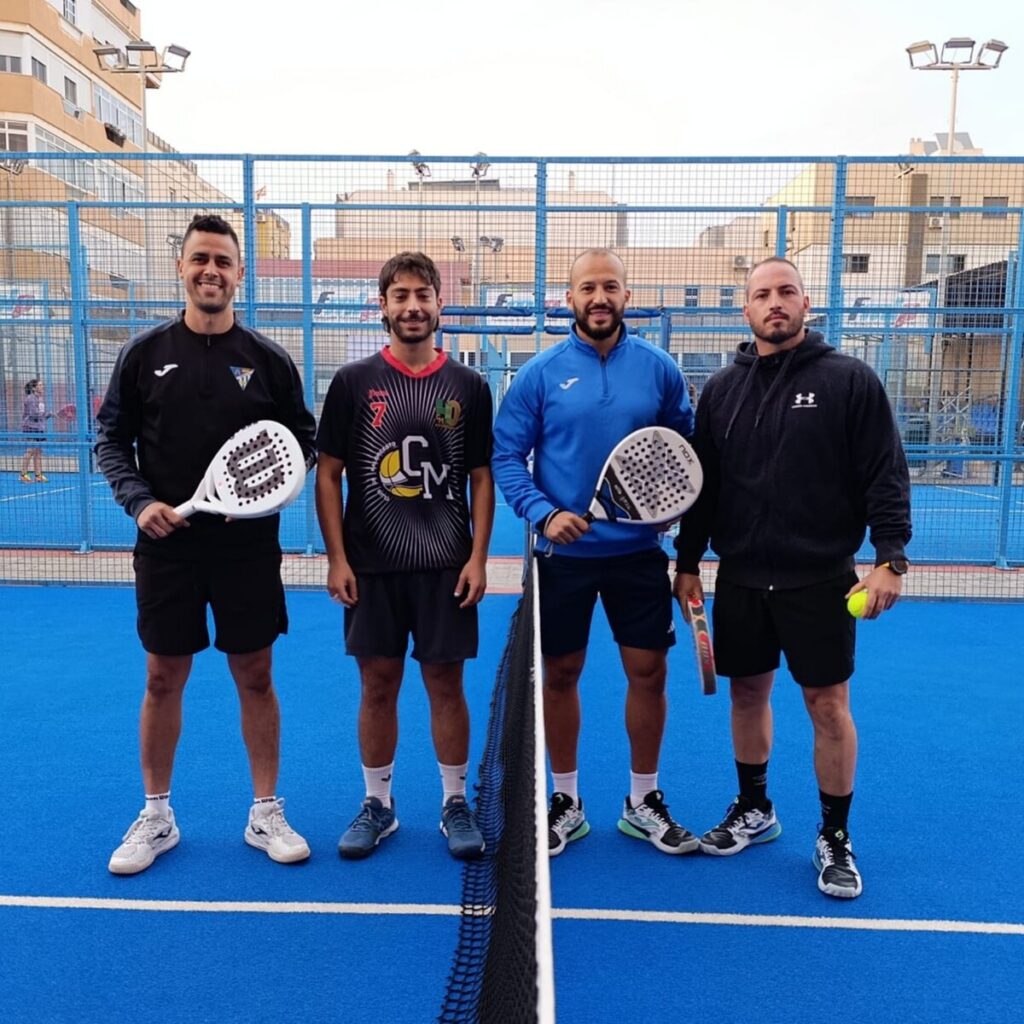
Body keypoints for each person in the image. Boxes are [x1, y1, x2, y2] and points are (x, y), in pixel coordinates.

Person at [673, 257, 912, 899]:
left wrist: (890, 556)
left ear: (806, 303)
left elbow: (884, 472)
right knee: (747, 695)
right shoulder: (721, 390)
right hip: (744, 578)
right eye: (761, 294)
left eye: (786, 292)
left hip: (821, 579)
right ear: (745, 310)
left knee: (827, 706)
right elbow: (705, 489)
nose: (774, 303)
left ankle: (834, 836)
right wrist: (688, 563)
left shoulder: (849, 380)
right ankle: (756, 808)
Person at [95, 214, 317, 875]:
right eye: (200, 259)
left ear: (239, 273)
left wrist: (265, 494)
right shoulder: (142, 355)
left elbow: (302, 441)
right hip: (166, 550)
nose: (210, 270)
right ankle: (157, 815)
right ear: (182, 268)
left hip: (247, 550)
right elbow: (110, 441)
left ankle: (265, 812)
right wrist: (141, 504)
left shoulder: (270, 361)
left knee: (255, 675)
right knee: (163, 677)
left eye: (222, 260)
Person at [492, 248, 697, 857]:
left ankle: (643, 801)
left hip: (638, 554)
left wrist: (669, 523)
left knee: (649, 673)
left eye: (610, 286)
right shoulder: (541, 373)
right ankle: (565, 800)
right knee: (559, 674)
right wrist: (544, 513)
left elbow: (681, 453)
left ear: (626, 296)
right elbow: (506, 456)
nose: (599, 297)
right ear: (569, 297)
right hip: (563, 559)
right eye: (588, 287)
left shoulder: (660, 370)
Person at [315, 251, 494, 861]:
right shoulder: (353, 383)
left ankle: (453, 802)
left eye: (423, 295)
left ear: (440, 304)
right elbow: (329, 474)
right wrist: (337, 559)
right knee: (378, 684)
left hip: (446, 564)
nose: (413, 307)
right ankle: (379, 805)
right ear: (383, 305)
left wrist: (478, 558)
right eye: (401, 296)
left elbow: (481, 478)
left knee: (446, 683)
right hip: (372, 565)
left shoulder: (469, 386)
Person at [20, 378, 54, 482]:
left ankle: (38, 475)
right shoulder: (30, 399)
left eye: (42, 385)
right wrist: (47, 414)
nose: (42, 387)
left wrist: (49, 414)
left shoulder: (39, 398)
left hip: (39, 427)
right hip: (30, 427)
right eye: (39, 385)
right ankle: (23, 475)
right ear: (34, 388)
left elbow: (39, 415)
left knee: (38, 451)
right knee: (30, 451)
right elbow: (33, 414)